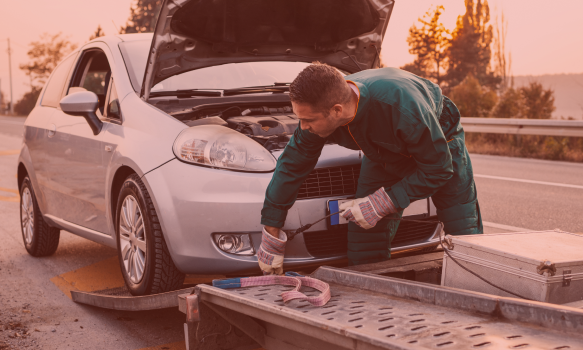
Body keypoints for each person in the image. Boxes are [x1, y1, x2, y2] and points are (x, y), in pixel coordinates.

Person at [256, 63, 482, 275]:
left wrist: (384, 202)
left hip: (440, 144)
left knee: (462, 228)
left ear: (336, 110)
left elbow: (439, 169)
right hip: (384, 151)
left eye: (308, 120)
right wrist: (271, 229)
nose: (303, 127)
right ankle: (373, 299)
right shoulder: (325, 108)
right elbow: (291, 165)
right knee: (365, 237)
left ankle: (475, 292)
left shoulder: (404, 108)